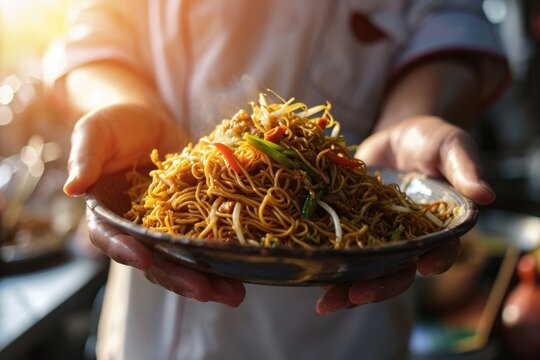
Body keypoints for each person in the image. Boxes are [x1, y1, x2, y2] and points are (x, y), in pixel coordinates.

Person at [43, 0, 509, 359]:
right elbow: (96, 34)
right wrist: (126, 108)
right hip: (152, 316)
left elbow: (448, 22)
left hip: (345, 318)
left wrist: (416, 118)